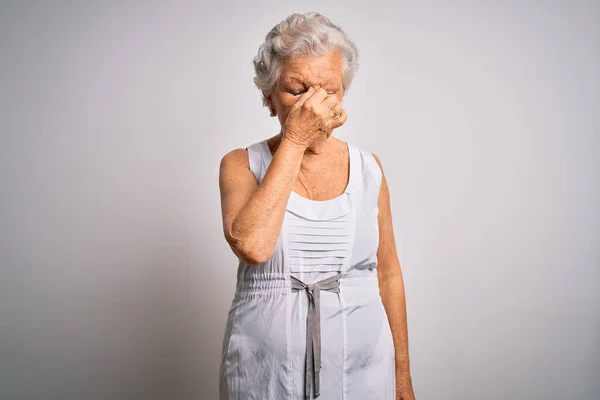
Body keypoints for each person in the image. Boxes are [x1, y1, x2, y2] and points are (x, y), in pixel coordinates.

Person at [218, 11, 415, 400]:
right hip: (265, 375)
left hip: (366, 373)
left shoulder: (368, 169)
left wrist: (403, 379)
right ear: (268, 97)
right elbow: (254, 246)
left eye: (328, 90)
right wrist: (295, 139)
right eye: (297, 90)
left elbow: (388, 275)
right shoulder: (240, 164)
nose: (313, 104)